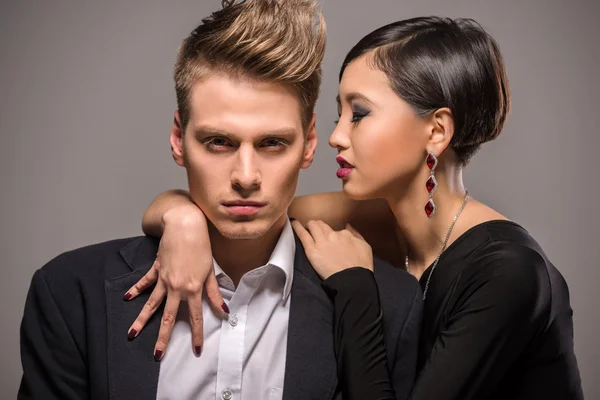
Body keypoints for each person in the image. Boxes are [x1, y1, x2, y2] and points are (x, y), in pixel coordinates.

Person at [132, 15, 584, 400]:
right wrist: (183, 219)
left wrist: (355, 288)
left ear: (436, 131)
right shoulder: (370, 219)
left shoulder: (509, 272)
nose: (335, 136)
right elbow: (241, 211)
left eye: (360, 114)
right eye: (338, 114)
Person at [18, 1, 422, 399]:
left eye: (272, 143)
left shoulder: (391, 306)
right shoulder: (72, 292)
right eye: (218, 142)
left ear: (309, 143)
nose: (246, 177)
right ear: (179, 139)